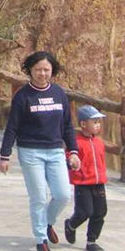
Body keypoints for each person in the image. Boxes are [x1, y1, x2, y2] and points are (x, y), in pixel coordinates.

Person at [0, 51, 80, 251]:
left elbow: (68, 125)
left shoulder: (59, 93)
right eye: (38, 70)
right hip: (30, 152)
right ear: (30, 71)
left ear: (52, 71)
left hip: (55, 151)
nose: (42, 74)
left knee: (63, 194)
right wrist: (5, 155)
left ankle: (48, 222)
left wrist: (73, 151)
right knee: (39, 198)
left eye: (46, 70)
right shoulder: (23, 95)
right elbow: (12, 127)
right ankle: (40, 239)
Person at [64, 105, 108, 251]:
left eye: (99, 122)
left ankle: (91, 242)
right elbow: (69, 159)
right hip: (83, 183)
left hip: (99, 183)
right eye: (94, 122)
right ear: (83, 124)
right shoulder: (76, 142)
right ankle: (70, 225)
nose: (98, 125)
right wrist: (71, 164)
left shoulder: (99, 142)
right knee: (84, 212)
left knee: (100, 212)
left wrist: (102, 176)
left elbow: (101, 162)